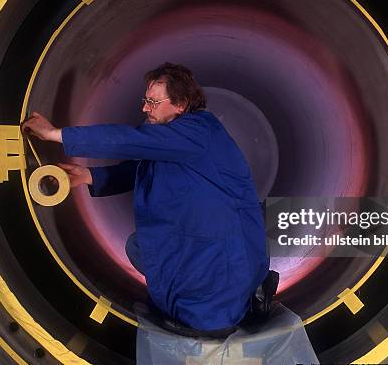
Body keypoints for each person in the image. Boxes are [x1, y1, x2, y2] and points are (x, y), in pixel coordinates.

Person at [21, 62, 273, 335]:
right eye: (145, 100)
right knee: (140, 246)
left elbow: (125, 139)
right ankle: (212, 301)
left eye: (153, 102)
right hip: (210, 240)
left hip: (222, 249)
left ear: (181, 104)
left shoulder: (198, 131)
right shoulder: (177, 141)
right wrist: (87, 176)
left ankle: (220, 310)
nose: (144, 108)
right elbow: (143, 169)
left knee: (203, 312)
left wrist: (54, 134)